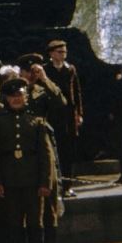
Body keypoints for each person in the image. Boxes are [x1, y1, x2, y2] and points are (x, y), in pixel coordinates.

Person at [0, 78, 54, 243]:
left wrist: (45, 182)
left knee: (36, 223)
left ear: (26, 97)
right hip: (10, 182)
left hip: (33, 182)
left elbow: (46, 155)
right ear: (6, 99)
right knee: (14, 224)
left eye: (20, 96)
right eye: (12, 97)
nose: (16, 99)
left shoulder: (36, 121)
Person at [17, 53, 67, 243]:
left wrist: (45, 79)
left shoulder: (43, 90)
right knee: (29, 208)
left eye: (33, 71)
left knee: (50, 204)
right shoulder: (13, 90)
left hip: (45, 147)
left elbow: (61, 103)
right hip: (24, 153)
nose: (30, 75)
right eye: (27, 72)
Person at [44, 39, 83, 197]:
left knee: (68, 152)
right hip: (53, 115)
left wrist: (79, 114)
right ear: (52, 54)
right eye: (60, 52)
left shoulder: (70, 69)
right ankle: (56, 186)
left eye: (65, 52)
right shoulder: (46, 70)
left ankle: (68, 186)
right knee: (54, 151)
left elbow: (77, 92)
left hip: (68, 116)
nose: (63, 55)